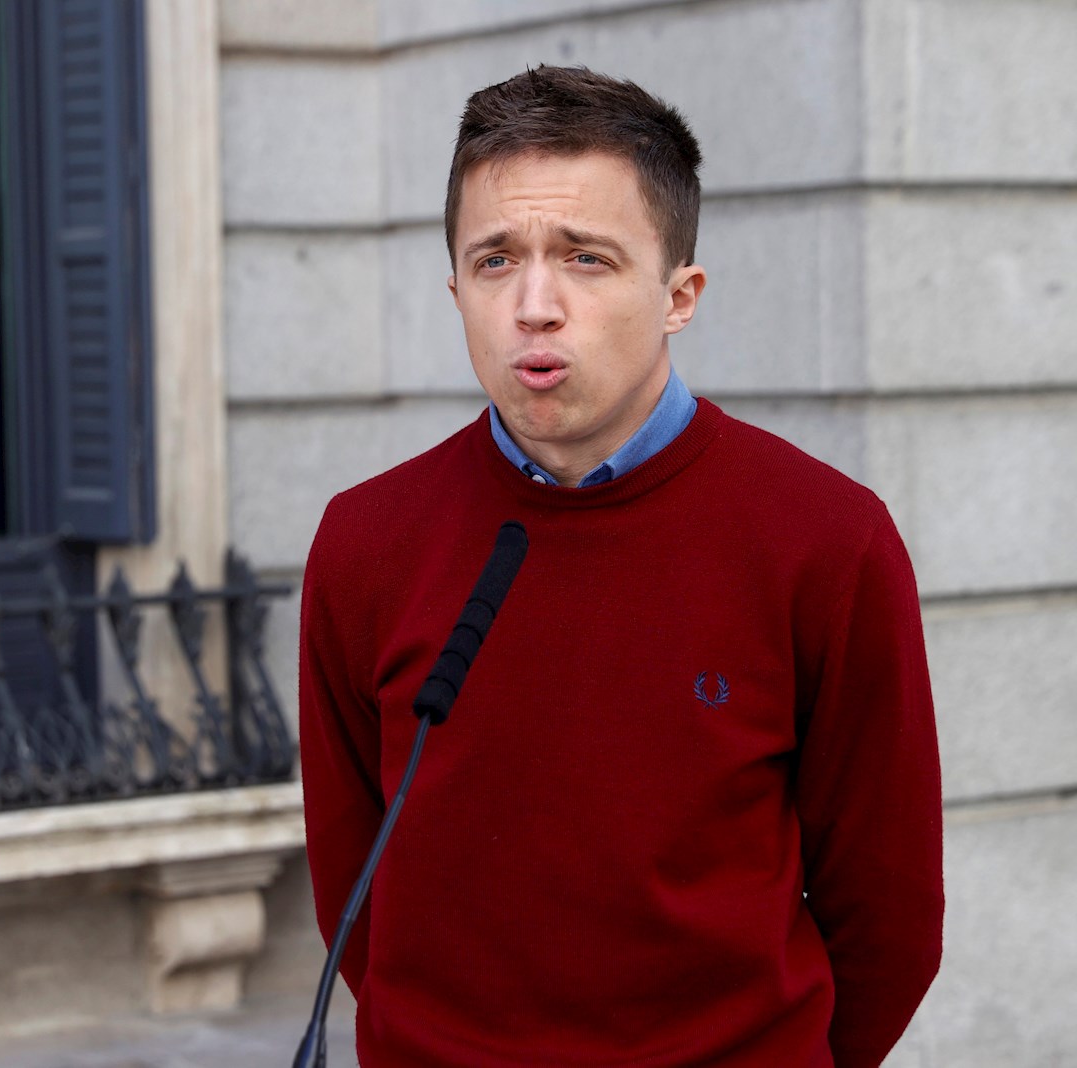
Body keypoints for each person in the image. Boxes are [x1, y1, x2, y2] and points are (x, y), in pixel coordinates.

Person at [298, 65, 943, 1067]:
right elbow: (353, 878)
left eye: (586, 258)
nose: (534, 304)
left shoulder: (826, 539)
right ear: (456, 288)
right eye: (496, 260)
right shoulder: (364, 541)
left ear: (678, 294)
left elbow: (888, 913)